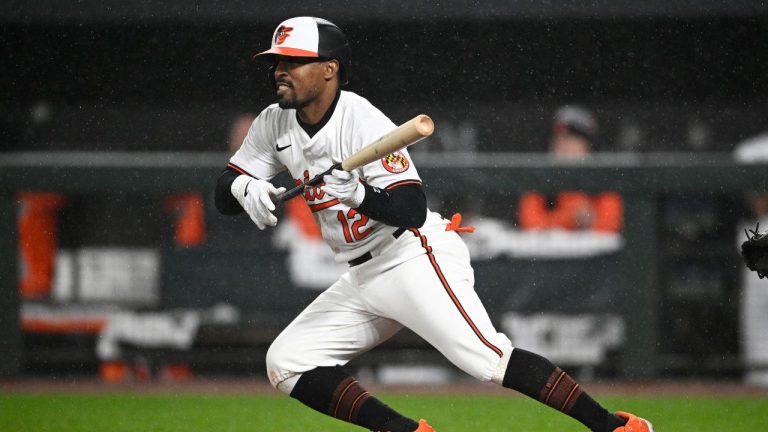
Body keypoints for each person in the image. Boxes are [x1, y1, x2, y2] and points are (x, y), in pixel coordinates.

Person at [214, 16, 652, 432]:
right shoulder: (273, 121)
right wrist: (243, 187)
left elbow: (412, 209)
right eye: (277, 61)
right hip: (361, 273)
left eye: (293, 61)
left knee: (489, 359)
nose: (280, 70)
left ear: (330, 68)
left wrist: (359, 194)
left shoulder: (362, 121)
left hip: (412, 255)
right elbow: (225, 189)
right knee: (288, 360)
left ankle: (617, 426)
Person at [518, 106, 623, 233]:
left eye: (571, 139)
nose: (562, 145)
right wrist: (570, 218)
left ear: (588, 146)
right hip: (551, 246)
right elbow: (530, 226)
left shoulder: (603, 179)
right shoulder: (539, 179)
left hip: (591, 245)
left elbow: (610, 226)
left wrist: (588, 220)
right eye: (558, 139)